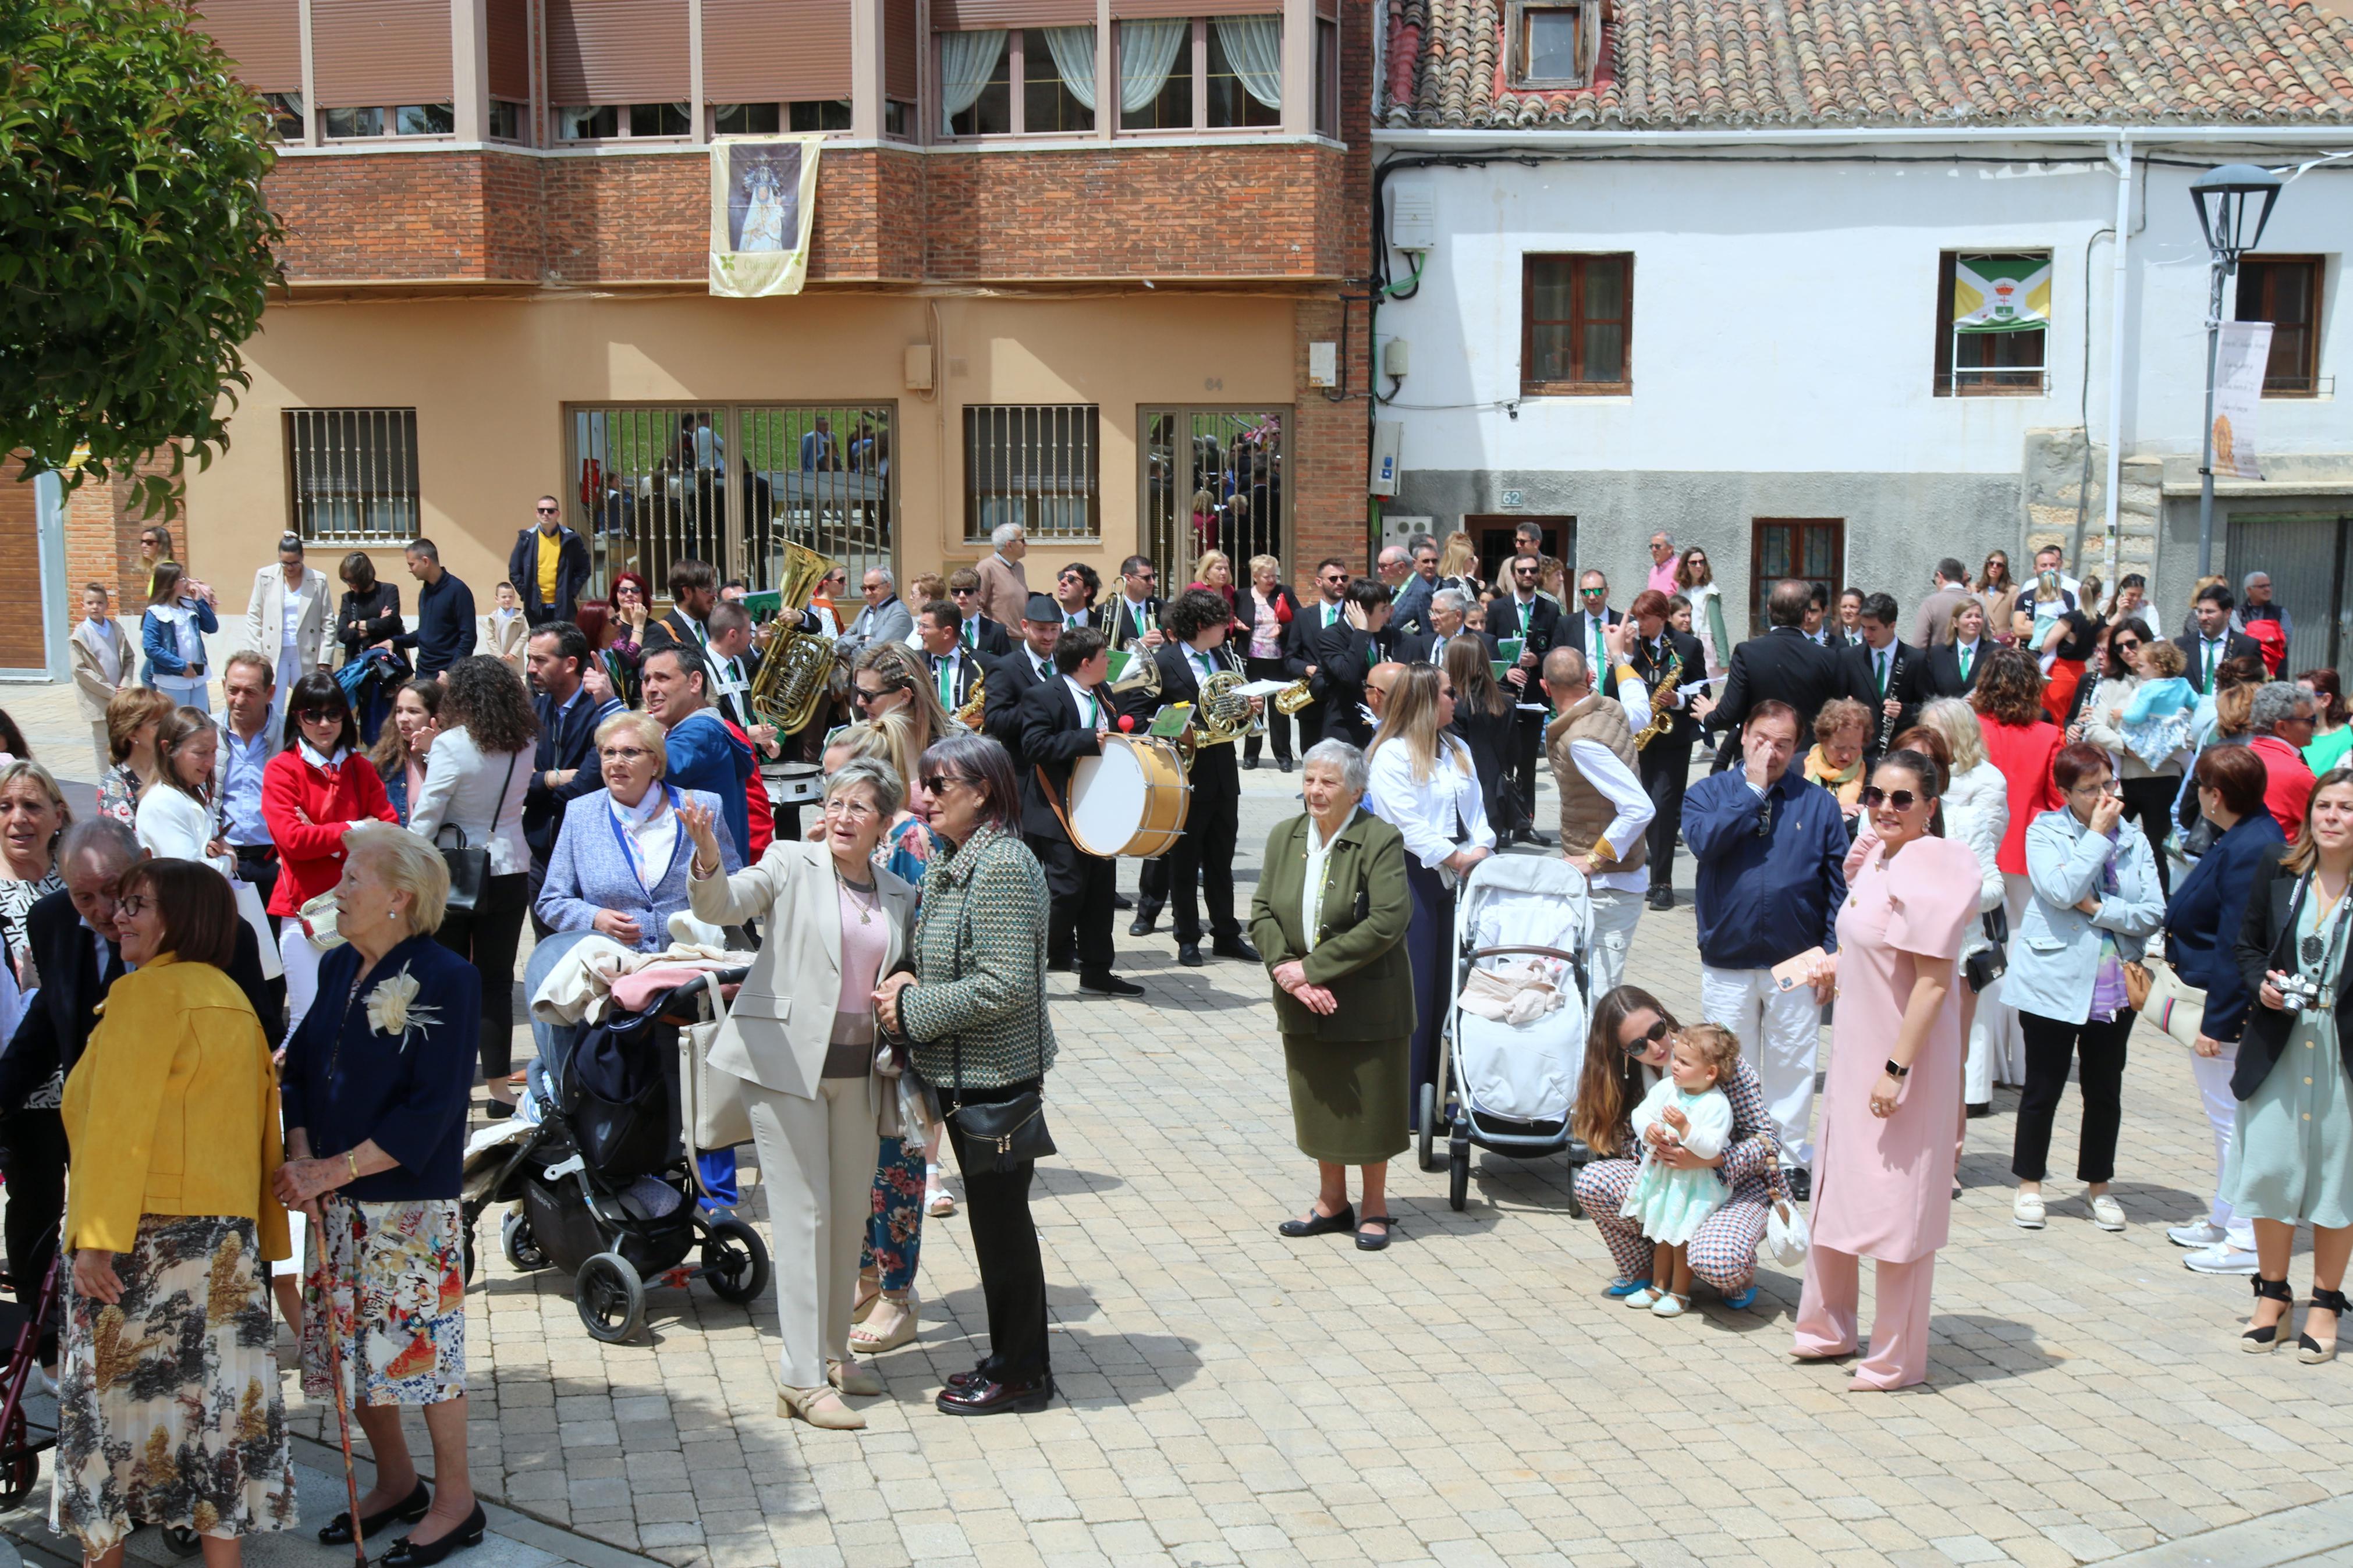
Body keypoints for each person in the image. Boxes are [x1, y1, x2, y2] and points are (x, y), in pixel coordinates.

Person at [52, 858, 295, 1563]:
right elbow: (261, 1132)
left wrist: (95, 1237)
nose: (118, 915)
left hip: (142, 1240)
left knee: (104, 1426)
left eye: (136, 903)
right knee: (220, 1422)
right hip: (227, 1249)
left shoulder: (143, 997)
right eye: (120, 902)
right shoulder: (233, 999)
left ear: (181, 917)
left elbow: (116, 1126)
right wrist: (264, 1242)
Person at [680, 762, 915, 1428]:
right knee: (804, 1217)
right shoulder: (788, 861)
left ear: (883, 823)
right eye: (834, 802)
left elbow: (895, 969)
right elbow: (722, 905)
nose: (842, 816)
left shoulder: (898, 891)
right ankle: (800, 1378)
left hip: (859, 1073)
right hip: (785, 1069)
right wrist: (705, 855)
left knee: (847, 1217)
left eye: (858, 808)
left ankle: (834, 1351)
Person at [274, 823, 482, 1562]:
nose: (338, 889)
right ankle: (398, 1480)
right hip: (332, 1199)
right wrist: (302, 1159)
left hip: (406, 1203)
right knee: (351, 1354)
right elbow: (295, 1069)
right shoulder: (336, 968)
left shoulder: (448, 978)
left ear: (399, 896)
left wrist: (328, 1172)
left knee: (417, 1355)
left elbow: (430, 1110)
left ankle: (456, 1500)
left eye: (354, 878)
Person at [871, 734, 1059, 1416]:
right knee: (994, 1224)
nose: (923, 798)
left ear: (981, 792)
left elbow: (1006, 983)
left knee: (1004, 1229)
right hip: (961, 1070)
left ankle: (1023, 1372)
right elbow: (945, 956)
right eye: (923, 784)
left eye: (938, 786)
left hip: (997, 1076)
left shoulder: (1001, 863)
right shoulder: (953, 858)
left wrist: (909, 1007)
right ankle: (1014, 1355)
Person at [1790, 748, 1979, 1390]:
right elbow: (1865, 944)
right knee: (1836, 1185)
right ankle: (1828, 1326)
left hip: (1903, 1058)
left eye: (1902, 798)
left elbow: (1930, 984)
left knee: (1898, 1205)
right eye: (1876, 795)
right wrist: (1832, 966)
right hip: (1852, 1051)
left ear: (1929, 806)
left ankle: (1896, 1356)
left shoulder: (1934, 865)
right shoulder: (1873, 855)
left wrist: (1896, 1068)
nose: (1886, 808)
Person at [1248, 738, 1414, 1248]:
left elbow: (1389, 919)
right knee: (1318, 1099)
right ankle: (1331, 1202)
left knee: (1371, 1103)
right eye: (1309, 780)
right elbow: (1260, 911)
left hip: (1366, 998)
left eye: (1328, 782)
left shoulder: (1379, 837)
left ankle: (1376, 1207)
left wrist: (1313, 969)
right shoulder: (1285, 835)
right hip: (1300, 997)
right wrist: (1285, 971)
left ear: (1356, 791)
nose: (1315, 791)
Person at [1681, 699, 1848, 1197]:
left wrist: (1833, 951)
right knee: (1729, 1067)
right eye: (1760, 739)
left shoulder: (1816, 803)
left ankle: (1790, 1158)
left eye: (1782, 743)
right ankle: (1729, 1155)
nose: (1770, 751)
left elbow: (1838, 883)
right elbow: (1705, 842)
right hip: (1727, 958)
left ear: (1798, 748)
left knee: (1792, 1064)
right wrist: (1752, 791)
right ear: (1744, 735)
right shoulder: (1709, 793)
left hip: (1796, 962)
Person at [2004, 742, 2166, 1232]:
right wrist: (2095, 837)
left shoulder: (2134, 837)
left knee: (2104, 1089)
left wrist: (2102, 911)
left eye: (2107, 785)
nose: (2103, 797)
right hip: (2052, 978)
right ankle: (2029, 1182)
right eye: (2089, 789)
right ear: (2064, 791)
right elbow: (2060, 891)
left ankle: (2099, 1185)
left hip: (2116, 982)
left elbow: (2153, 911)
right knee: (2042, 1087)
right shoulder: (2045, 829)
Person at [2228, 767, 2353, 1362]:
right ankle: (2271, 1296)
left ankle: (2325, 1301)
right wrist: (2262, 987)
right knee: (2272, 1170)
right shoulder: (2279, 872)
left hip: (2341, 1051)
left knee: (2336, 1179)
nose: (2331, 817)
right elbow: (2247, 946)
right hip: (2280, 1041)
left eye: (2346, 808)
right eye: (2323, 805)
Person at [1573, 987, 1784, 1309]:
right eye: (1639, 1045)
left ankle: (1732, 1273)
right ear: (1623, 1052)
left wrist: (1711, 1159)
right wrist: (1652, 1147)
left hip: (1734, 1184)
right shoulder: (1629, 1080)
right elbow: (1626, 1141)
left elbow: (1766, 1140)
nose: (1656, 1047)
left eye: (1657, 1031)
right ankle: (1645, 1272)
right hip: (1667, 1178)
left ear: (1662, 1013)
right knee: (1592, 1182)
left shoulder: (1715, 1057)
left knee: (1718, 1261)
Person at [2160, 745, 2281, 1276]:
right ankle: (2224, 1216)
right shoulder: (2243, 834)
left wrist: (2219, 1022)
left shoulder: (2252, 845)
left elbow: (2239, 941)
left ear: (2214, 795)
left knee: (2234, 1124)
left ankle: (2244, 1239)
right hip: (2216, 996)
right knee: (2224, 1122)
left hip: (2224, 1005)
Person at [407, 656, 538, 1115]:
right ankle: (500, 1089)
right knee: (497, 983)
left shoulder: (451, 744)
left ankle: (451, 1083)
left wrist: (404, 866)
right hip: (509, 866)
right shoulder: (526, 742)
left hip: (454, 871)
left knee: (444, 980)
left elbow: (428, 815)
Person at [1367, 664, 1494, 1131]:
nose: (1455, 699)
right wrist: (1453, 856)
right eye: (1448, 692)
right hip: (1414, 878)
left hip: (1459, 876)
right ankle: (1405, 1103)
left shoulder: (1456, 747)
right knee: (1417, 993)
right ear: (1424, 700)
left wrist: (1482, 847)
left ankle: (1442, 1095)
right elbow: (1404, 821)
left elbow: (1478, 809)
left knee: (1452, 990)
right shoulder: (1391, 755)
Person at [264, 671, 399, 1044]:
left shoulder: (361, 767)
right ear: (297, 718)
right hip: (303, 910)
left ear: (346, 715)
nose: (324, 724)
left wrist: (326, 835)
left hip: (360, 909)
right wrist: (355, 829)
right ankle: (295, 1102)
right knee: (308, 1021)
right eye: (313, 715)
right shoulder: (282, 769)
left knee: (358, 1020)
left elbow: (389, 832)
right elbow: (292, 841)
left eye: (334, 713)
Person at [1013, 628, 1142, 997]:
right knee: (1066, 891)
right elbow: (1034, 745)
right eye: (1105, 657)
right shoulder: (1042, 695)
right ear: (1086, 663)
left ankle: (1096, 971)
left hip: (1100, 809)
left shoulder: (1103, 693)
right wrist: (1087, 740)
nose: (1109, 662)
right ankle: (1023, 965)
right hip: (1056, 807)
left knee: (1100, 892)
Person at [1148, 589, 1261, 966]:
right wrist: (1175, 728)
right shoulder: (1163, 662)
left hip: (1223, 773)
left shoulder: (1223, 656)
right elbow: (1139, 713)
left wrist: (1249, 704)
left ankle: (1226, 933)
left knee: (1220, 860)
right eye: (1220, 624)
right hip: (1184, 772)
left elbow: (1232, 709)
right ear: (1200, 626)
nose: (1227, 630)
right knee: (1184, 861)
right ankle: (1187, 937)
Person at [1971, 648, 2064, 1092]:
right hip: (2027, 855)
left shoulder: (1972, 728)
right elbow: (2056, 802)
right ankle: (2023, 1065)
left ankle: (1982, 1066)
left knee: (1981, 955)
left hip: (1979, 851)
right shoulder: (2048, 734)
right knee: (2025, 958)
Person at [1542, 643, 1654, 1001]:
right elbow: (1641, 706)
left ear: (1545, 687)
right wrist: (1620, 658)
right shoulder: (1610, 708)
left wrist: (1594, 859)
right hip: (1612, 883)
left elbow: (1639, 807)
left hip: (1611, 886)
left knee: (1598, 999)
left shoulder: (1581, 742)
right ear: (1590, 679)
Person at [1914, 700, 2009, 1119]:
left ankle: (1959, 1121)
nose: (1930, 741)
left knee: (1958, 1041)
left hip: (1962, 931)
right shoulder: (1907, 783)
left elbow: (1985, 852)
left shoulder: (1986, 781)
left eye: (1937, 732)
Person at [1617, 1023, 1742, 1318]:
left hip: (1694, 1185)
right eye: (1677, 1058)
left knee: (1681, 1239)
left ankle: (1680, 1293)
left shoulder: (1716, 1104)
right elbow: (1642, 1112)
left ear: (1710, 1073)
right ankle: (1657, 1287)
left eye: (1685, 1063)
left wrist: (1685, 1129)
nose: (1674, 1066)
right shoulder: (1667, 1089)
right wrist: (1647, 1129)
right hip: (1668, 1179)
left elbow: (1712, 1147)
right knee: (1662, 1234)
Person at [521, 621, 622, 930]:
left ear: (570, 664)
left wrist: (540, 781)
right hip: (540, 849)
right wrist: (553, 778)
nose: (530, 668)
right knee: (547, 948)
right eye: (530, 658)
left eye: (540, 660)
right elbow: (516, 784)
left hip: (588, 851)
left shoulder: (598, 713)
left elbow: (586, 784)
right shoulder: (531, 712)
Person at [2079, 621, 2187, 892]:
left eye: (2132, 644)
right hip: (2122, 781)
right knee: (2111, 843)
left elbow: (2187, 730)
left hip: (2162, 777)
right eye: (2119, 647)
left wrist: (2154, 748)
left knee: (2157, 849)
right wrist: (2126, 747)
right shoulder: (2113, 685)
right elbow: (2095, 728)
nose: (2126, 651)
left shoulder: (2172, 685)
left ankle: (2159, 917)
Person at [1627, 590, 1704, 909]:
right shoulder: (1637, 648)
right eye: (1637, 617)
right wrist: (1623, 656)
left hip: (1673, 739)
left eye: (1645, 618)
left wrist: (1678, 700)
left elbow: (1703, 689)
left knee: (1664, 808)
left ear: (1662, 617)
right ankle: (1650, 878)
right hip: (1642, 739)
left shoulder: (1687, 646)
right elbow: (1612, 688)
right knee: (1645, 808)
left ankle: (1663, 883)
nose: (1639, 623)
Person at [644, 642, 755, 862]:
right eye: (646, 680)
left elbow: (651, 769)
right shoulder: (693, 728)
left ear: (695, 682)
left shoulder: (700, 731)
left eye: (662, 678)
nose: (651, 688)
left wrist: (610, 707)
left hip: (703, 882)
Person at [1706, 578, 1846, 753]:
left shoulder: (1747, 652)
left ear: (1769, 609)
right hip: (1808, 759)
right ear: (1805, 615)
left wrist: (1708, 715)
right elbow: (1835, 715)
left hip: (1761, 754)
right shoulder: (1829, 657)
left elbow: (1729, 714)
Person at [1488, 554, 1563, 844]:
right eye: (1523, 570)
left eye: (1533, 570)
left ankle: (1526, 823)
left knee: (1528, 764)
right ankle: (1504, 823)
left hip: (1533, 697)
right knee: (1504, 763)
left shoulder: (1550, 609)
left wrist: (1538, 659)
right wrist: (1506, 672)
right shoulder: (1497, 608)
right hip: (1504, 696)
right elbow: (1488, 647)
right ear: (1514, 573)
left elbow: (1557, 649)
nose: (1528, 574)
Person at [1443, 639, 1517, 849]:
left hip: (1463, 789)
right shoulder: (1507, 703)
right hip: (1496, 789)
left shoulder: (1454, 706)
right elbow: (1515, 752)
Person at [245, 534, 331, 715]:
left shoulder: (318, 580)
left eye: (294, 563)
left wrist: (325, 658)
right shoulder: (265, 577)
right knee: (273, 700)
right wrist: (256, 652)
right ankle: (274, 740)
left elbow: (328, 621)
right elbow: (254, 615)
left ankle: (303, 739)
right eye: (285, 563)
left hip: (306, 651)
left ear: (302, 558)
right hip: (274, 651)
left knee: (306, 701)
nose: (290, 568)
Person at [0, 760, 68, 989]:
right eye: (4, 807)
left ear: (58, 815)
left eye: (31, 806)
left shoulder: (81, 874)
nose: (18, 819)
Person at [134, 707, 227, 869]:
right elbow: (189, 872)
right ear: (167, 749)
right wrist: (229, 861)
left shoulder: (192, 792)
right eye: (200, 752)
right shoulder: (163, 803)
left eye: (213, 751)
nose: (211, 762)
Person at [1840, 593, 1926, 766]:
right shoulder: (1848, 657)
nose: (1866, 634)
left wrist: (1904, 712)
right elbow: (1836, 700)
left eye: (1873, 629)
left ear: (1892, 625)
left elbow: (1927, 707)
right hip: (1859, 754)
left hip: (1900, 752)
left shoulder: (1916, 659)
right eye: (1863, 627)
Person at [336, 551, 407, 744]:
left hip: (388, 670)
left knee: (392, 718)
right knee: (367, 721)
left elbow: (392, 622)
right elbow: (342, 633)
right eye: (347, 581)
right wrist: (374, 626)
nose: (351, 585)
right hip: (361, 670)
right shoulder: (348, 599)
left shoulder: (388, 591)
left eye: (353, 580)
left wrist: (357, 625)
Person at [1241, 555, 1300, 771]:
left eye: (1275, 575)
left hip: (1278, 660)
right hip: (1252, 661)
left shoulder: (1285, 592)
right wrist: (1235, 622)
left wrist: (1283, 628)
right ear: (1256, 576)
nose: (1272, 580)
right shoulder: (1243, 596)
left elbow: (1299, 618)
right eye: (1267, 576)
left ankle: (1284, 757)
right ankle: (1251, 756)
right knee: (1253, 707)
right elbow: (1230, 617)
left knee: (1279, 710)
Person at [1287, 557, 1352, 753]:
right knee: (1312, 762)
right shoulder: (1303, 616)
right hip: (1312, 705)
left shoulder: (1354, 615)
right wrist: (1306, 669)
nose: (1340, 583)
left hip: (1345, 704)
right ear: (1319, 582)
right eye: (1333, 579)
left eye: (1344, 578)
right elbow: (1290, 658)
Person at [71, 583, 132, 776]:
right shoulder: (80, 635)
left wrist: (125, 684)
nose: (95, 607)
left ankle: (122, 779)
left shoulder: (115, 629)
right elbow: (80, 669)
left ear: (107, 605)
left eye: (99, 603)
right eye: (90, 603)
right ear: (82, 605)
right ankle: (105, 783)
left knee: (121, 739)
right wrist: (109, 691)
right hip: (98, 699)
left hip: (119, 695)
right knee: (102, 743)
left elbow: (129, 658)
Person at [141, 561, 218, 710]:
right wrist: (181, 666)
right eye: (183, 579)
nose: (187, 582)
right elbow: (151, 648)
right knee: (179, 722)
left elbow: (212, 627)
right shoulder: (155, 612)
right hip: (173, 679)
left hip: (197, 676)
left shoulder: (189, 605)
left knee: (200, 720)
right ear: (170, 583)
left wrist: (200, 601)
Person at [2249, 681, 2320, 842]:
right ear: (2282, 728)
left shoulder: (2244, 755)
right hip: (2281, 862)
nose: (2315, 724)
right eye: (2310, 719)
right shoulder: (2295, 774)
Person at [396, 539, 477, 681]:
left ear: (426, 561)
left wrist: (451, 673)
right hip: (423, 675)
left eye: (412, 564)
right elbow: (425, 634)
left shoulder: (458, 591)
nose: (410, 569)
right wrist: (395, 642)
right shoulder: (425, 593)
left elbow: (468, 638)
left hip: (446, 678)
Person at [97, 685, 173, 826]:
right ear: (132, 734)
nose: (170, 728)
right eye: (159, 724)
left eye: (170, 721)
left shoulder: (179, 770)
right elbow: (124, 841)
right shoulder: (115, 784)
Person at [509, 495, 591, 625]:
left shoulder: (570, 539)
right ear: (537, 513)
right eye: (542, 510)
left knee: (561, 644)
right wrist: (526, 593)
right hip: (535, 608)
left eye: (550, 511)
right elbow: (514, 570)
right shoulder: (526, 539)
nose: (546, 514)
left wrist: (571, 592)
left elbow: (584, 568)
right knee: (539, 644)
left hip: (563, 606)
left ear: (558, 514)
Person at [370, 680, 443, 826]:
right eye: (399, 711)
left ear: (436, 717)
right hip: (398, 845)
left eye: (413, 711)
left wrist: (435, 750)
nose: (403, 719)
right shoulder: (383, 759)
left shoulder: (451, 758)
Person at [1801, 696, 1873, 831]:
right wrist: (1836, 811)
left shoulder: (1874, 774)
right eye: (1839, 747)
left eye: (1854, 748)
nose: (1846, 755)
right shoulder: (1797, 767)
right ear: (1823, 739)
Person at [2177, 583, 2261, 697]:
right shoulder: (2181, 645)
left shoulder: (2247, 646)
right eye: (2200, 611)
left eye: (2210, 612)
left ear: (2227, 613)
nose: (2203, 618)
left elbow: (2254, 686)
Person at [914, 598, 985, 719]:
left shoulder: (985, 664)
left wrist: (984, 716)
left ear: (947, 632)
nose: (919, 632)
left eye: (925, 627)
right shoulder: (913, 662)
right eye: (920, 626)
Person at [641, 558, 718, 655]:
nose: (715, 594)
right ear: (687, 592)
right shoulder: (661, 633)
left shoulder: (713, 626)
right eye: (708, 589)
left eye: (714, 588)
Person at [837, 567, 914, 662]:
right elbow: (840, 643)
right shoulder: (866, 610)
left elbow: (876, 650)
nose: (868, 593)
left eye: (873, 588)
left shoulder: (899, 613)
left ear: (888, 586)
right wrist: (862, 638)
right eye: (864, 588)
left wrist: (850, 652)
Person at [1674, 547, 1729, 677]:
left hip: (1702, 645)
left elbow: (1718, 628)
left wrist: (1725, 662)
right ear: (1686, 566)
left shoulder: (1710, 591)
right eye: (1694, 563)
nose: (1698, 566)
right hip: (1682, 643)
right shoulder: (1683, 589)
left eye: (1702, 562)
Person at [1925, 598, 1992, 699]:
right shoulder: (1938, 654)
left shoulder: (1996, 653)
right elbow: (1929, 694)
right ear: (1955, 622)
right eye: (1968, 616)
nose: (1974, 621)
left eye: (1978, 616)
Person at [973, 521, 1030, 629]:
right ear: (1009, 545)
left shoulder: (1019, 567)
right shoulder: (987, 567)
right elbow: (976, 605)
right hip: (1000, 641)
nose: (1026, 544)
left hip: (1021, 638)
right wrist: (994, 632)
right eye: (1022, 540)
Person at [945, 571, 1014, 658]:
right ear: (951, 595)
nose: (962, 596)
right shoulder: (943, 629)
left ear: (979, 594)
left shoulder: (997, 631)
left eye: (968, 591)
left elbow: (1006, 666)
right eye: (956, 591)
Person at [2298, 668, 2352, 776]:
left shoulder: (2347, 738)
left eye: (2304, 696)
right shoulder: (2293, 732)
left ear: (2325, 700)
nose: (2296, 701)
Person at [478, 582, 530, 680]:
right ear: (497, 599)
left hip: (515, 659)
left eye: (510, 597)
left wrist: (514, 653)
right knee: (499, 680)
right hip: (499, 658)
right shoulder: (492, 618)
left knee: (516, 681)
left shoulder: (520, 616)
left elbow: (524, 634)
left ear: (514, 598)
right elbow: (490, 639)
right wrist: (499, 655)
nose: (507, 599)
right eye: (504, 597)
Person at [136, 522, 176, 599]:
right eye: (142, 542)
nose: (143, 546)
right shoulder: (157, 569)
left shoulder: (167, 569)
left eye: (149, 542)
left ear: (162, 545)